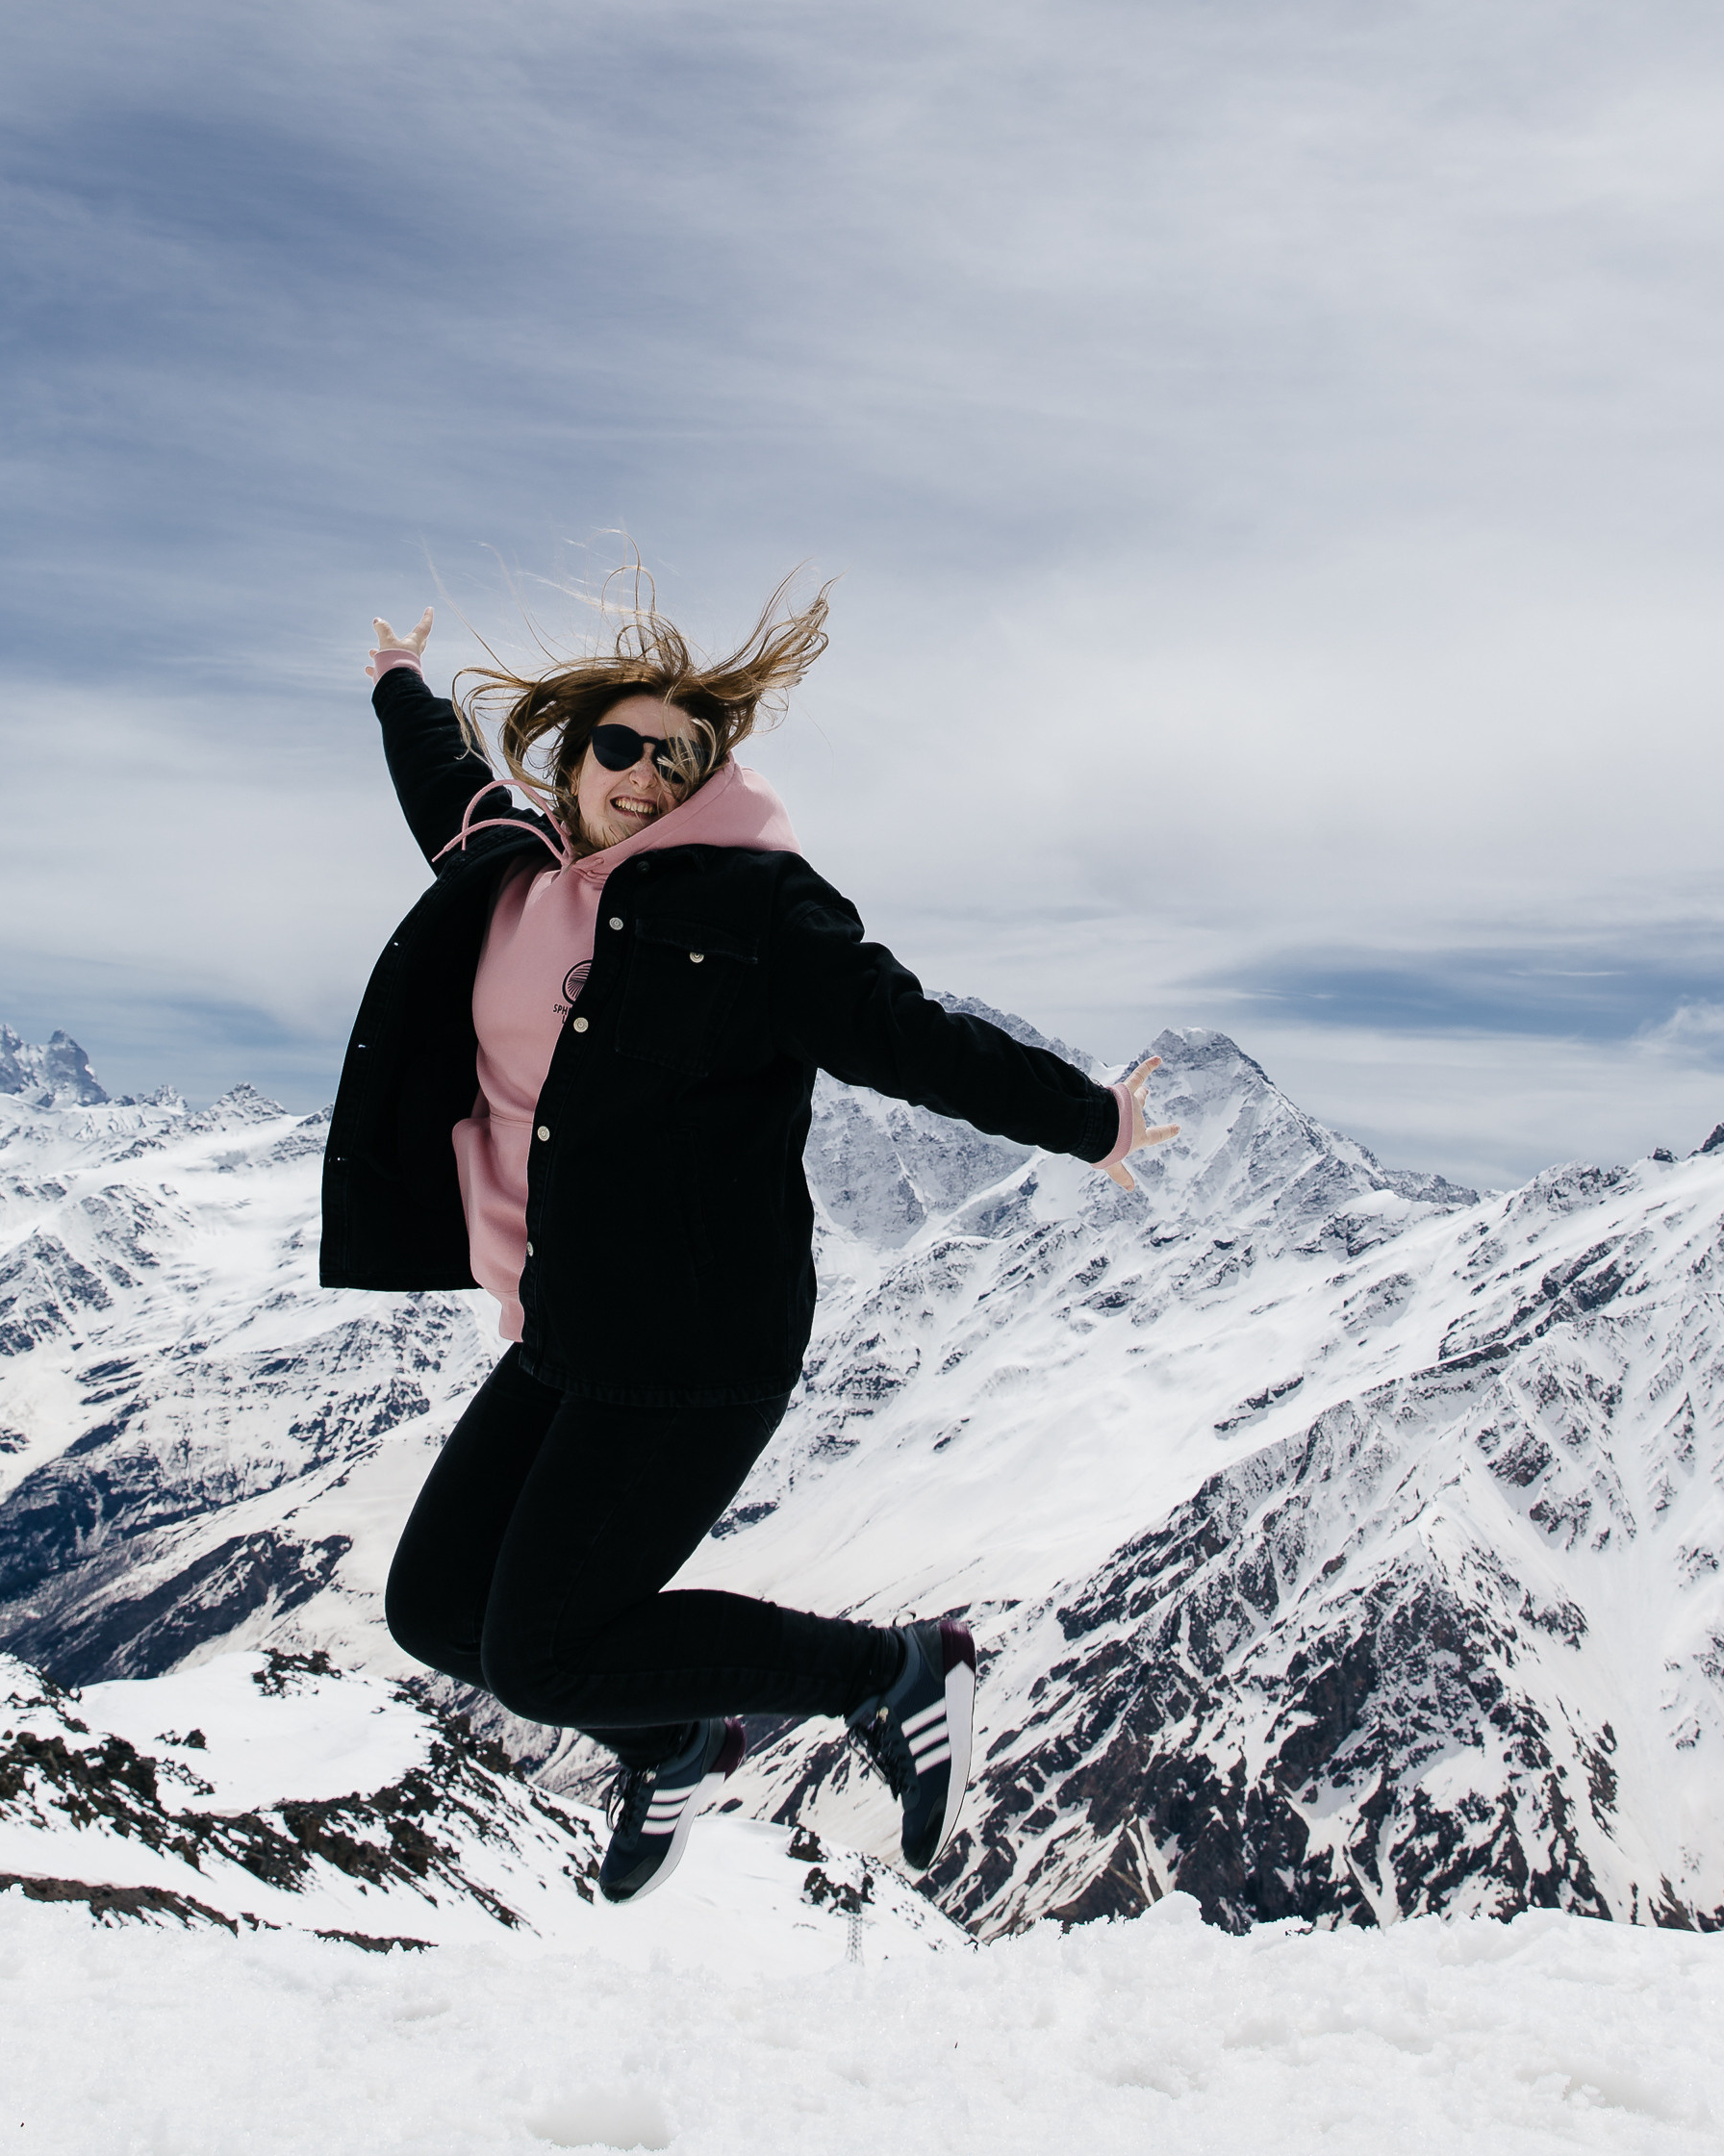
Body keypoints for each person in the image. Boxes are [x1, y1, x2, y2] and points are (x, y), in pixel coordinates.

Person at [322, 577, 1178, 1905]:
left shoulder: (758, 912)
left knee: (545, 1654)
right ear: (572, 757)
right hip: (567, 1326)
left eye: (685, 757)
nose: (650, 776)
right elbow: (440, 782)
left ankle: (891, 1675)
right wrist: (395, 682)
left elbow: (913, 1038)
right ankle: (671, 1741)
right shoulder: (513, 867)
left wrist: (1092, 1120)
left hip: (698, 1338)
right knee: (434, 1615)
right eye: (623, 746)